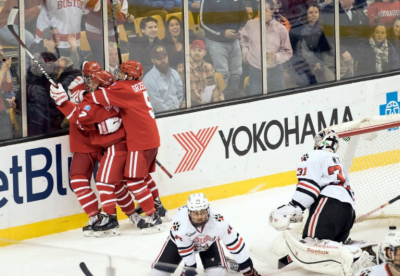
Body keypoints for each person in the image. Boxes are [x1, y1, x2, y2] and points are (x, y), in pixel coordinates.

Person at [269, 128, 377, 275]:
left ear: (320, 141)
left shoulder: (312, 156)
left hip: (328, 206)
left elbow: (309, 188)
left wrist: (293, 208)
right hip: (348, 212)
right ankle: (365, 248)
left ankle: (354, 254)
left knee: (312, 242)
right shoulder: (337, 161)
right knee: (330, 246)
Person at [51, 68, 141, 237]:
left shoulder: (106, 99)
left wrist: (64, 101)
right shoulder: (87, 91)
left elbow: (78, 115)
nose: (89, 83)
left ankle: (131, 215)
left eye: (92, 81)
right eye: (88, 78)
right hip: (84, 144)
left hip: (106, 146)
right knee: (78, 181)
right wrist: (71, 95)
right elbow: (79, 109)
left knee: (113, 184)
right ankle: (96, 217)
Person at [150, 193, 261, 276]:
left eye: (202, 212)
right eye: (195, 213)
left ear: (208, 210)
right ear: (189, 212)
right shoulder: (180, 224)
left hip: (208, 244)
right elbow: (185, 248)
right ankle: (224, 261)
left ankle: (227, 263)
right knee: (157, 274)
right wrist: (190, 267)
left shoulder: (219, 221)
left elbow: (234, 243)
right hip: (177, 245)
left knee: (218, 273)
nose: (199, 217)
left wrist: (245, 263)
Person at [240, 0, 292, 95]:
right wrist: (245, 51)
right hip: (255, 72)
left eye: (264, 10)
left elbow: (288, 52)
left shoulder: (281, 29)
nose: (261, 13)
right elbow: (243, 38)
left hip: (275, 72)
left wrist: (276, 57)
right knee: (255, 101)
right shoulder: (250, 24)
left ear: (272, 11)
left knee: (278, 100)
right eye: (260, 10)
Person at [200, 0, 248, 95]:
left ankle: (234, 98)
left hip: (234, 40)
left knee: (236, 73)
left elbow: (244, 15)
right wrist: (222, 33)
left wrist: (241, 28)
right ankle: (222, 100)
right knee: (223, 74)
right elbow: (203, 22)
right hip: (216, 42)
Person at [321, 0, 369, 79]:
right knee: (333, 86)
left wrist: (357, 55)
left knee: (349, 84)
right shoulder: (329, 9)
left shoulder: (357, 12)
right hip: (333, 56)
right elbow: (328, 34)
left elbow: (364, 32)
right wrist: (342, 50)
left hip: (351, 56)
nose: (341, 1)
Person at [35, 0, 100, 57]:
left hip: (72, 43)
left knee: (71, 68)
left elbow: (100, 9)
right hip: (47, 42)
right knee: (47, 67)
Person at [292, 2, 334, 83]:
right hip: (303, 63)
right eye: (311, 12)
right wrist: (316, 62)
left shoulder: (320, 28)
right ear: (305, 14)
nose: (314, 15)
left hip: (320, 60)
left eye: (316, 12)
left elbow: (326, 46)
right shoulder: (299, 29)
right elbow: (301, 52)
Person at [177, 39, 224, 106]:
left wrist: (218, 104)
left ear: (205, 53)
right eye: (194, 50)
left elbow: (216, 88)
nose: (196, 53)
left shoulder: (209, 67)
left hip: (209, 104)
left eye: (199, 50)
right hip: (193, 106)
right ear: (190, 51)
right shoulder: (184, 67)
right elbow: (192, 93)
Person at [143, 46, 184, 113]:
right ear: (153, 60)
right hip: (162, 116)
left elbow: (181, 95)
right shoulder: (149, 80)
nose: (163, 60)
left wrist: (182, 107)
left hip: (178, 111)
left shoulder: (174, 73)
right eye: (159, 58)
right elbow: (159, 107)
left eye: (164, 57)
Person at [0, 46, 14, 141]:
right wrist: (2, 71)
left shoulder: (2, 64)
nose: (1, 53)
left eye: (1, 50)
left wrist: (7, 70)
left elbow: (8, 88)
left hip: (2, 108)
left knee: (7, 137)